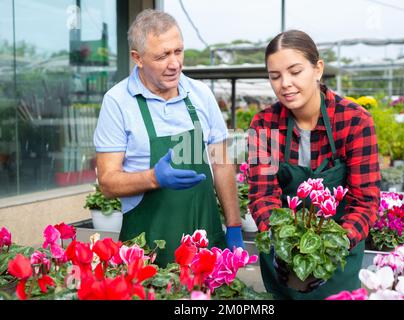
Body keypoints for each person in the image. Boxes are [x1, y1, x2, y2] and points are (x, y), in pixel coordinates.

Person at [93, 9, 243, 267]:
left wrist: (234, 225)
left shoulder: (201, 95)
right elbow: (107, 182)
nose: (174, 63)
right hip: (147, 249)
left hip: (204, 242)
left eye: (178, 51)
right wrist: (153, 178)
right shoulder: (118, 102)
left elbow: (221, 163)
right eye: (162, 56)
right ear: (137, 58)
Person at [247, 30, 381, 299]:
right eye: (275, 76)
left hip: (339, 255)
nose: (285, 83)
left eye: (295, 71)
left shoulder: (354, 121)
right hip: (281, 259)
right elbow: (262, 195)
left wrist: (330, 249)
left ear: (317, 69)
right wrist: (282, 244)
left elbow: (365, 202)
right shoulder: (264, 124)